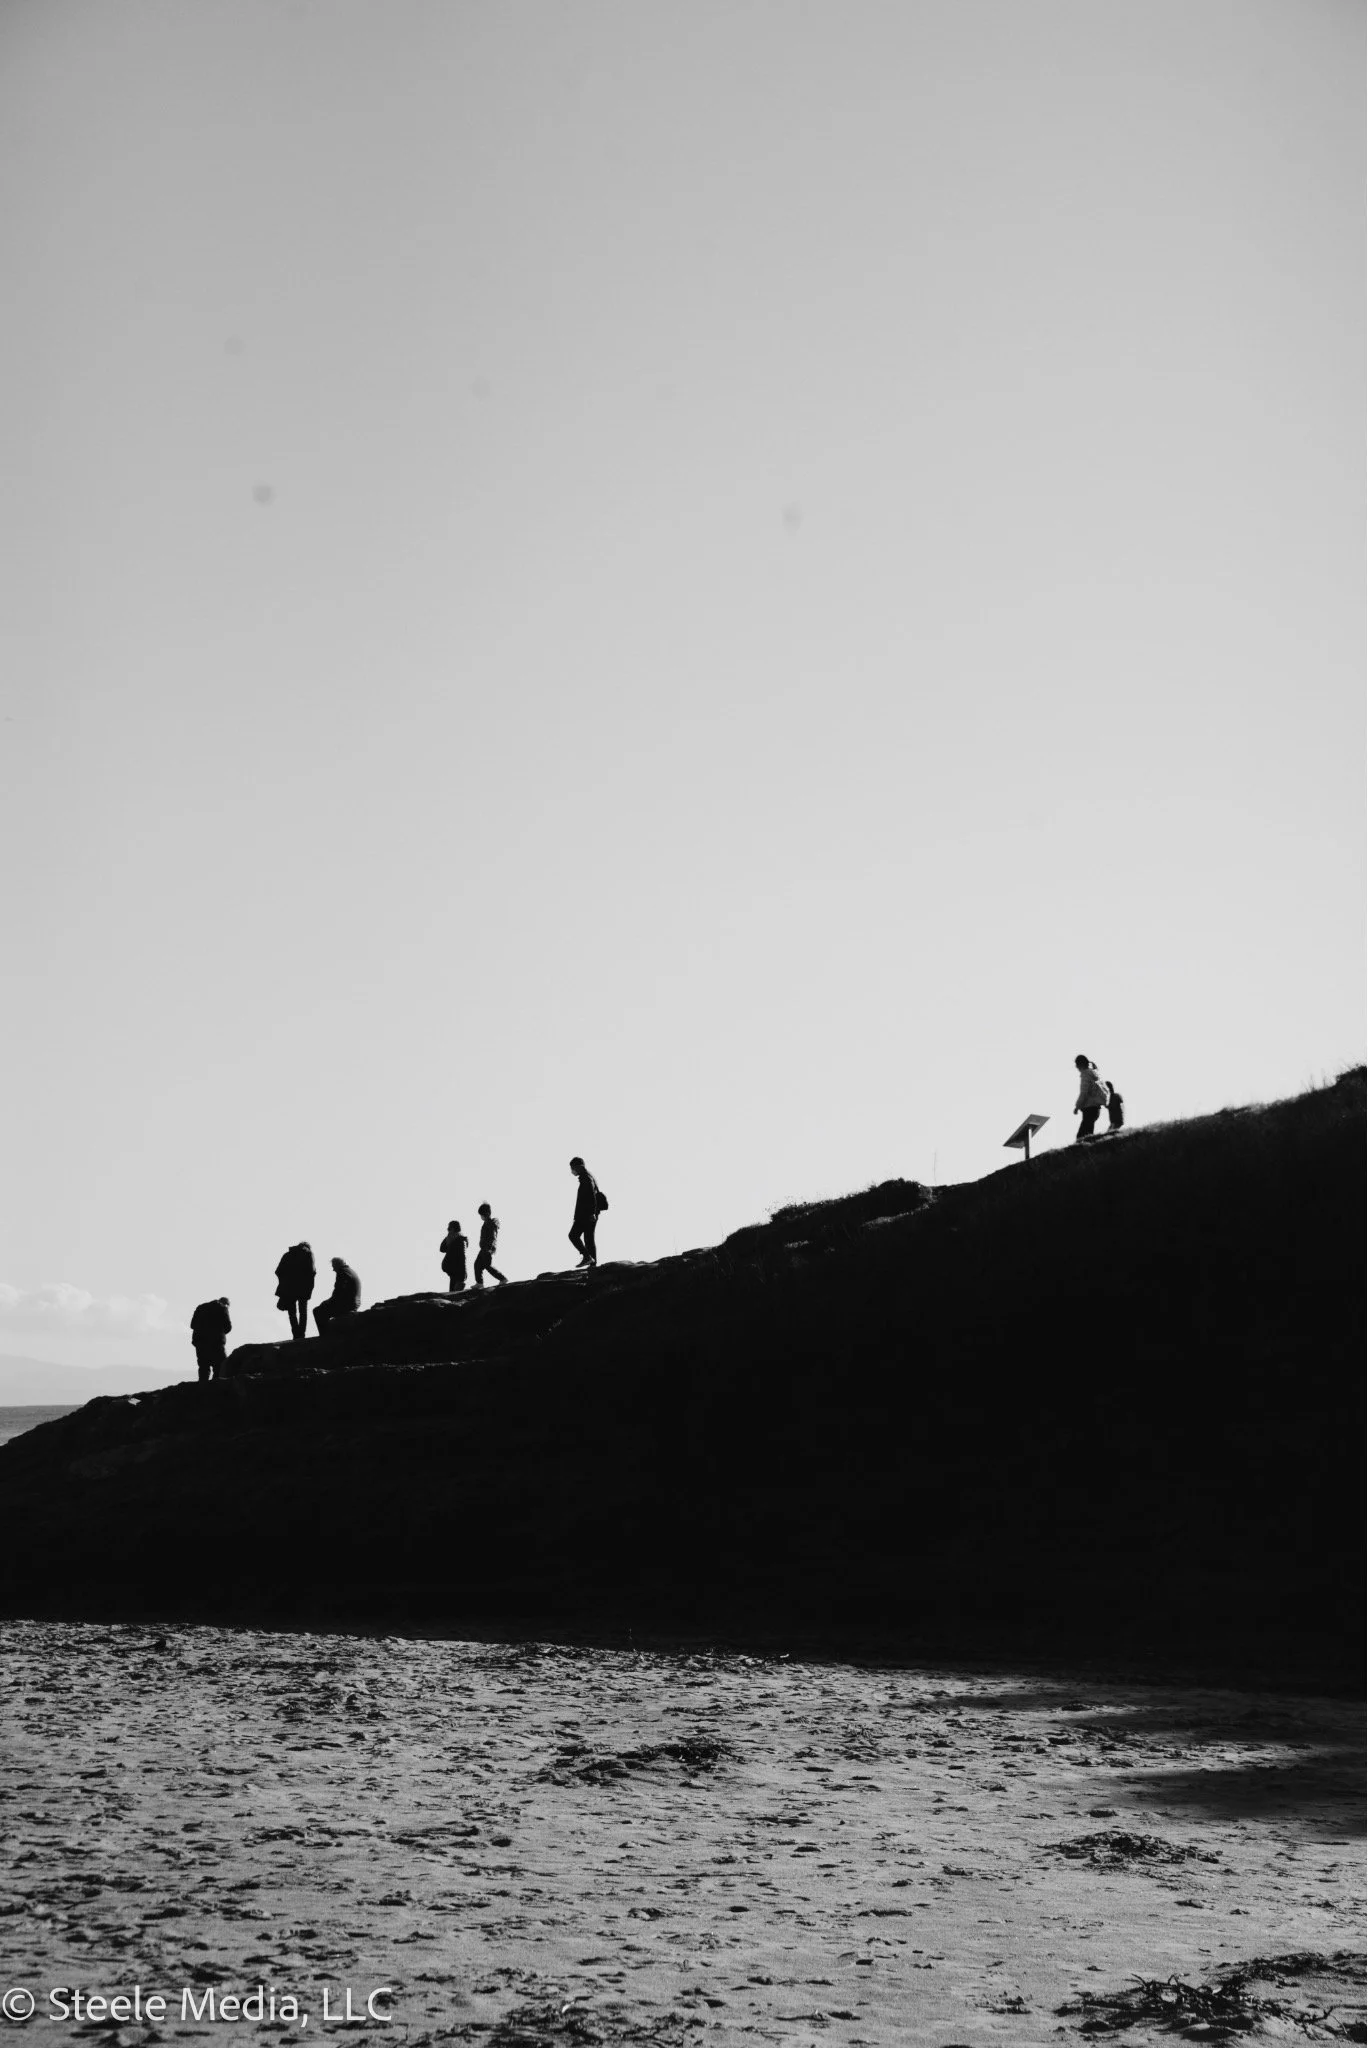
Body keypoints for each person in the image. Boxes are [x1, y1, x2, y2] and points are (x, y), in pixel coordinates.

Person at [568, 1156, 607, 1268]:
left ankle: (587, 1257)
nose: (572, 1170)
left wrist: (591, 1213)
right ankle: (592, 1264)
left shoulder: (586, 1178)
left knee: (573, 1235)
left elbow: (591, 1197)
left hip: (586, 1214)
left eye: (573, 1167)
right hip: (589, 1213)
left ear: (579, 1166)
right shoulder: (588, 1177)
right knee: (589, 1239)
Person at [274, 1241, 316, 1340]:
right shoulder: (309, 1254)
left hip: (288, 1288)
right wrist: (309, 1287)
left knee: (292, 1313)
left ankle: (296, 1334)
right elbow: (312, 1272)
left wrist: (284, 1282)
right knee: (303, 1311)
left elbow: (278, 1271)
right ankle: (301, 1334)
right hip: (303, 1288)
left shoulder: (287, 1255)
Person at [314, 1256, 362, 1336]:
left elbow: (338, 1293)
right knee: (324, 1308)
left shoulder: (342, 1273)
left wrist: (326, 1302)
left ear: (337, 1265)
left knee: (318, 1311)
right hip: (354, 1303)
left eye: (333, 1267)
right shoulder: (351, 1271)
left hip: (347, 1305)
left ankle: (325, 1336)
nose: (333, 1269)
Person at [190, 1296, 231, 1383]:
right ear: (226, 1304)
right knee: (220, 1366)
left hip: (200, 1342)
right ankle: (215, 1389)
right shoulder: (222, 1308)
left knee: (203, 1367)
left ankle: (202, 1388)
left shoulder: (200, 1308)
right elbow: (228, 1327)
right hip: (216, 1343)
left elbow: (192, 1325)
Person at [1073, 1055, 1109, 1143]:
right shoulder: (1094, 1073)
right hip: (1096, 1108)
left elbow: (1084, 1093)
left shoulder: (1086, 1075)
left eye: (1076, 1065)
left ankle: (1085, 1152)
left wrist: (1077, 1107)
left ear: (1080, 1064)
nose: (1076, 1067)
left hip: (1089, 1108)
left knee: (1081, 1136)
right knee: (1088, 1133)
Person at [473, 1204, 509, 1288]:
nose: (482, 1217)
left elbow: (493, 1236)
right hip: (484, 1248)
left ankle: (503, 1278)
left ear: (488, 1213)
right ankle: (479, 1283)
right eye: (481, 1215)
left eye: (483, 1215)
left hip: (487, 1247)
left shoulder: (491, 1223)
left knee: (487, 1265)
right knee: (477, 1264)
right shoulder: (486, 1223)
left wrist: (490, 1247)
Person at [440, 1220, 468, 1293]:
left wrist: (463, 1274)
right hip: (452, 1267)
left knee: (454, 1288)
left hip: (454, 1268)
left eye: (449, 1229)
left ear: (452, 1229)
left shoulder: (460, 1240)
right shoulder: (453, 1239)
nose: (448, 1230)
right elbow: (442, 1249)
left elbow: (462, 1258)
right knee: (454, 1287)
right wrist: (448, 1238)